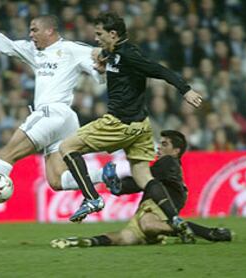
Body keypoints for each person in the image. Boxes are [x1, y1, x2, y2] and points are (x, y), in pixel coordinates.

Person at [0, 15, 106, 224]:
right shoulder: (35, 52)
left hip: (52, 112)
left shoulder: (70, 49)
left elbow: (96, 65)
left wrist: (101, 71)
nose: (30, 35)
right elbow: (7, 45)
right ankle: (106, 174)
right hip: (65, 120)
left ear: (49, 30)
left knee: (7, 154)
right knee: (56, 180)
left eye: (34, 30)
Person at [59, 12, 203, 243]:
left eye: (99, 34)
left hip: (119, 123)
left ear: (113, 34)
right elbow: (106, 55)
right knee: (143, 176)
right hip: (141, 127)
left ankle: (91, 198)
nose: (96, 38)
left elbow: (159, 70)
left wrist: (185, 89)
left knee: (66, 147)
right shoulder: (115, 52)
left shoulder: (129, 55)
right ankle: (175, 219)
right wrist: (102, 58)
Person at [51, 130, 233, 248]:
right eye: (160, 143)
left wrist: (119, 186)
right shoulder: (164, 166)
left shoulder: (169, 162)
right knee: (124, 238)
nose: (159, 147)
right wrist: (118, 186)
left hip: (160, 205)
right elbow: (142, 182)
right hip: (149, 206)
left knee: (148, 224)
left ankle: (209, 233)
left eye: (164, 144)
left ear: (176, 151)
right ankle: (81, 242)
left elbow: (141, 180)